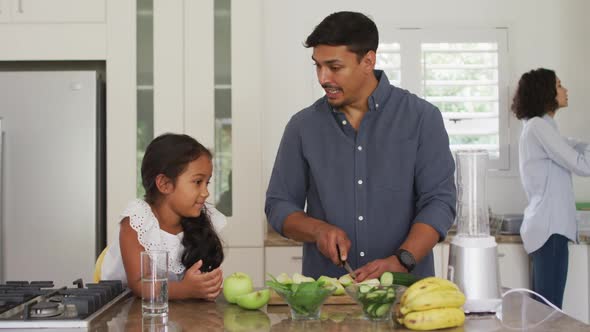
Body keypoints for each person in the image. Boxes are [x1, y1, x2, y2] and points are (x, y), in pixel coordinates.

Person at [265, 11, 456, 281]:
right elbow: (278, 204)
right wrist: (317, 230)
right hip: (328, 296)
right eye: (317, 66)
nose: (323, 78)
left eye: (334, 67)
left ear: (368, 61)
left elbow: (440, 202)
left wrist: (403, 260)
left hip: (407, 294)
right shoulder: (302, 127)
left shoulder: (422, 118)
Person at [101, 133, 226, 301]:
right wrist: (186, 289)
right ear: (164, 184)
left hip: (169, 309)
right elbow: (139, 284)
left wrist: (204, 285)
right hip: (121, 308)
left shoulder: (196, 223)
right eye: (198, 182)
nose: (205, 192)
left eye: (207, 182)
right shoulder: (137, 221)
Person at [511, 68, 590, 309]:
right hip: (550, 231)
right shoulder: (538, 127)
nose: (565, 90)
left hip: (547, 229)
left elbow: (572, 146)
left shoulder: (540, 128)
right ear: (546, 92)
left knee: (542, 310)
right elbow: (582, 165)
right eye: (559, 85)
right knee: (550, 312)